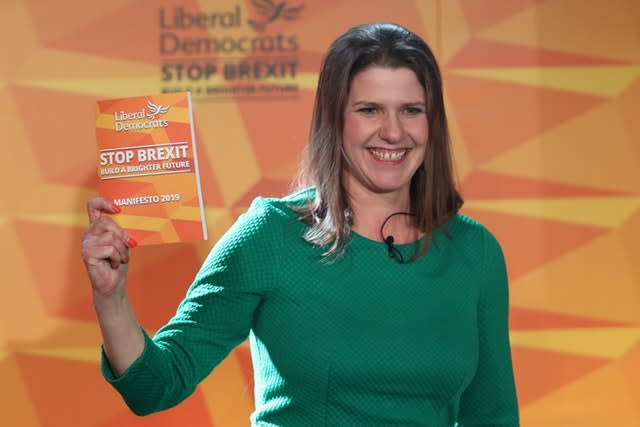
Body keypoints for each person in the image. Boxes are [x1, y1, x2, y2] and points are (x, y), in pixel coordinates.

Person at [81, 22, 520, 427]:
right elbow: (155, 385)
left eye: (411, 110)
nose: (392, 131)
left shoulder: (474, 251)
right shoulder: (270, 235)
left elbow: (493, 415)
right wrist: (111, 298)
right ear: (335, 118)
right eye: (369, 110)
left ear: (433, 121)